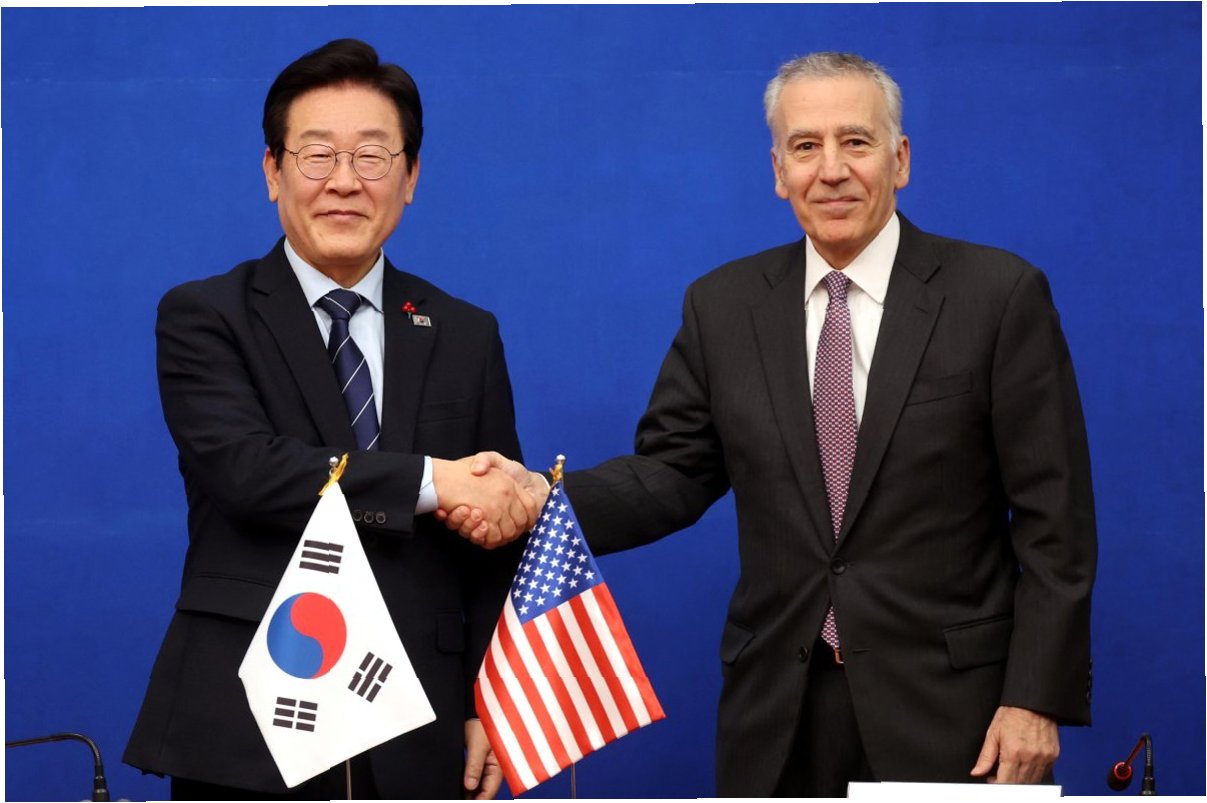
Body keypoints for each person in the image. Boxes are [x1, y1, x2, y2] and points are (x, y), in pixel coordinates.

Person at [444, 52, 1097, 797]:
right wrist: (541, 497)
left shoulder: (997, 295)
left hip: (956, 714)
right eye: (805, 146)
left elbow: (1056, 523)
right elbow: (671, 473)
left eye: (855, 141)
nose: (831, 170)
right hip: (778, 715)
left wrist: (1034, 697)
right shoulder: (724, 306)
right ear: (778, 171)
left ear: (900, 159)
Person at [124, 39, 539, 800]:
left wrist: (490, 698)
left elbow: (493, 537)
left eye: (372, 157)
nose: (344, 181)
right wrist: (435, 482)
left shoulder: (464, 331)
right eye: (317, 155)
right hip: (255, 716)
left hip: (424, 717)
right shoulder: (206, 315)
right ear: (272, 172)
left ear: (409, 178)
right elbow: (249, 471)